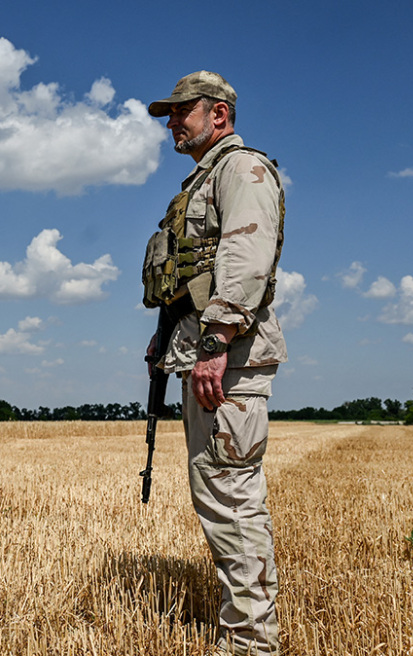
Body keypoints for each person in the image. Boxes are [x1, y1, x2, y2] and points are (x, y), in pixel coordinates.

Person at [142, 71, 288, 655]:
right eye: (170, 115)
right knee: (219, 494)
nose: (173, 123)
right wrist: (168, 340)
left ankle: (252, 644)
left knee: (231, 498)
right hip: (207, 355)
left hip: (227, 362)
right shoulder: (205, 179)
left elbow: (245, 258)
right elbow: (192, 278)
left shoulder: (241, 170)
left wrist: (216, 342)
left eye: (182, 111)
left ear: (219, 115)